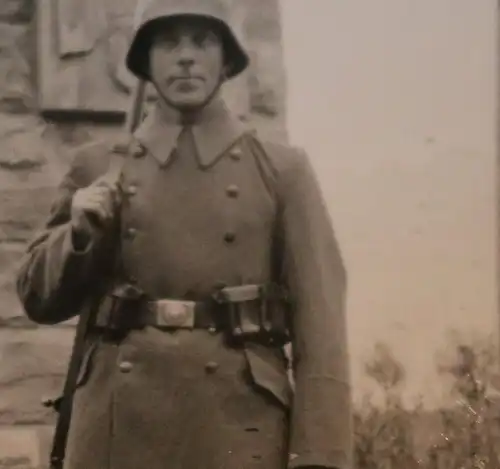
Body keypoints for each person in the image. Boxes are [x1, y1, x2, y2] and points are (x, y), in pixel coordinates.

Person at [16, 0, 352, 468]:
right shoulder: (99, 167)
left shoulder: (282, 171)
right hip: (116, 431)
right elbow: (36, 297)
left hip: (240, 426)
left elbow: (322, 326)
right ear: (145, 61)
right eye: (169, 42)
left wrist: (319, 456)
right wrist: (77, 236)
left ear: (227, 59)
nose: (186, 56)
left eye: (202, 41)